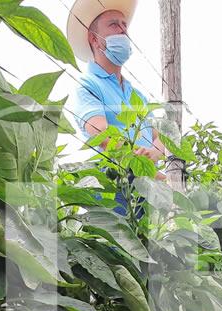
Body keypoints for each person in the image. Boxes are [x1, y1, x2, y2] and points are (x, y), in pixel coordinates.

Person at [66, 0, 166, 215]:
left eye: (124, 25)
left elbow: (160, 137)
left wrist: (153, 155)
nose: (123, 30)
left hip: (147, 190)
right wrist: (148, 170)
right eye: (113, 25)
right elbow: (101, 134)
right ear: (95, 39)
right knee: (123, 244)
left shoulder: (135, 94)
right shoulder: (89, 84)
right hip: (115, 186)